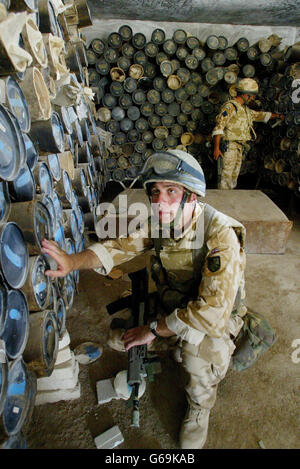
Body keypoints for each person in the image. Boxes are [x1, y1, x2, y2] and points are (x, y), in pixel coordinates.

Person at [42, 149, 248, 449]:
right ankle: (170, 342)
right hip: (176, 303)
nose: (159, 201)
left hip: (212, 316)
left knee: (195, 354)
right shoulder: (161, 224)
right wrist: (72, 262)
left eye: (171, 191)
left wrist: (151, 330)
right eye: (154, 192)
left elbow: (211, 313)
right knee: (117, 339)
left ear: (191, 196)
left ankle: (200, 406)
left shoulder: (221, 236)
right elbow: (119, 247)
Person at [212, 77, 285, 190]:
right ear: (245, 95)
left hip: (239, 147)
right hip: (229, 146)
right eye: (252, 96)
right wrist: (216, 148)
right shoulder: (230, 107)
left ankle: (230, 202)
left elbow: (259, 115)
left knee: (233, 178)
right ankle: (223, 203)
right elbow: (219, 127)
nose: (253, 99)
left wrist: (279, 116)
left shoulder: (244, 109)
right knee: (225, 178)